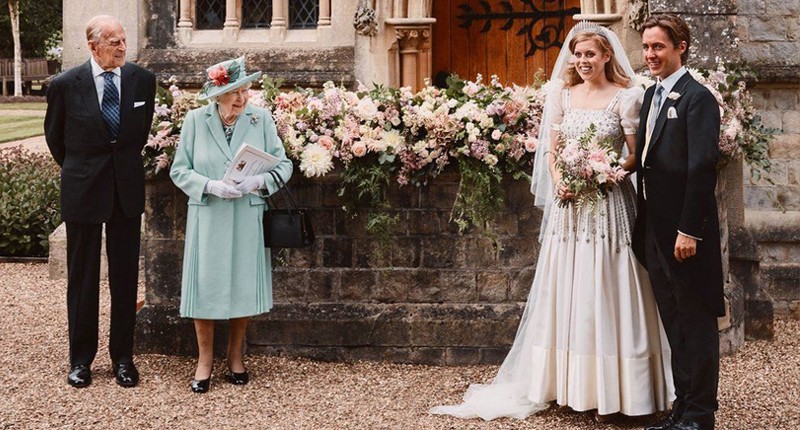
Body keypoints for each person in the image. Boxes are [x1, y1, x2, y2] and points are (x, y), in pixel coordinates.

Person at [430, 22, 672, 421]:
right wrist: (560, 180)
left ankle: (621, 391)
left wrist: (606, 172)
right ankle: (567, 385)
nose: (583, 61)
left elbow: (634, 155)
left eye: (590, 54)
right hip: (569, 207)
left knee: (609, 285)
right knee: (569, 286)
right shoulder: (561, 94)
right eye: (578, 55)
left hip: (608, 204)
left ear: (607, 56)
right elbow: (552, 151)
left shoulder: (627, 97)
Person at [44, 15, 156, 389]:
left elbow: (139, 134)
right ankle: (80, 360)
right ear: (93, 46)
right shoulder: (64, 85)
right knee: (82, 278)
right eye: (114, 42)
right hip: (83, 189)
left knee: (125, 278)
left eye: (123, 40)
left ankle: (123, 358)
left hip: (126, 191)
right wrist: (84, 170)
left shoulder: (143, 80)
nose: (123, 47)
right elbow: (55, 139)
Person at [169, 56, 293, 393]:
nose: (242, 97)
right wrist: (209, 185)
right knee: (204, 287)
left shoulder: (260, 119)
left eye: (245, 90)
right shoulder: (196, 121)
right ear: (217, 94)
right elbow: (179, 170)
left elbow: (284, 166)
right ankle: (204, 361)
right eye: (235, 92)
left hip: (246, 213)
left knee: (242, 285)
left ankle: (235, 357)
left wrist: (259, 182)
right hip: (208, 214)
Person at [633, 14, 723, 430]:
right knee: (674, 323)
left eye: (658, 47)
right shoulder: (652, 95)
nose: (650, 54)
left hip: (685, 234)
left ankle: (701, 415)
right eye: (646, 47)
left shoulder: (697, 97)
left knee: (695, 323)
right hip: (654, 229)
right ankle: (682, 410)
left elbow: (702, 168)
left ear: (680, 47)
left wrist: (689, 230)